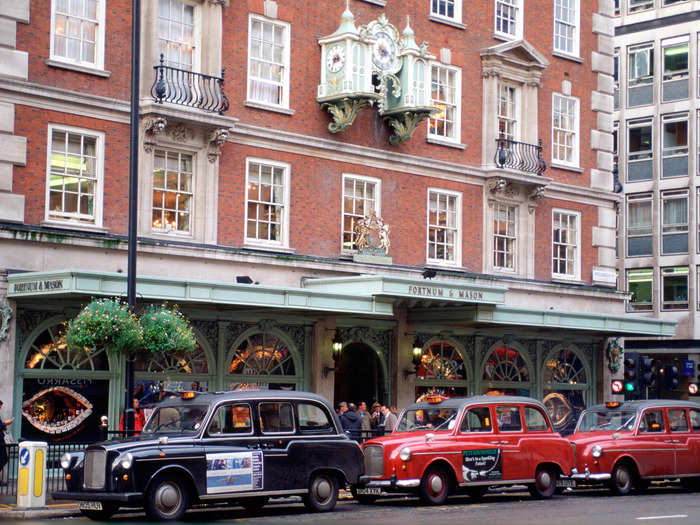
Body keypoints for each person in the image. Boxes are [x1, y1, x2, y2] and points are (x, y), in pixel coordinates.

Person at [0, 400, 13, 486]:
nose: (1, 408)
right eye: (0, 406)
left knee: (4, 458)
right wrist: (5, 423)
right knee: (3, 458)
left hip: (1, 439)